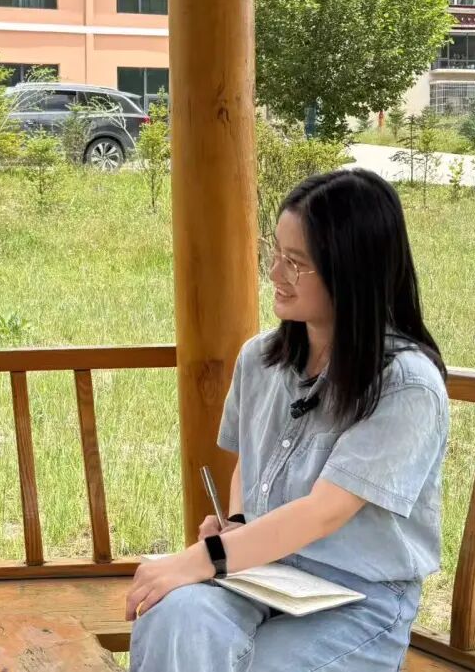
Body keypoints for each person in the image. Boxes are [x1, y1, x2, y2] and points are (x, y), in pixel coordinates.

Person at [127, 169, 449, 671]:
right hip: (263, 574)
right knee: (175, 615)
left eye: (296, 263)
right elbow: (249, 463)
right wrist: (236, 525)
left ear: (351, 270)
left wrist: (206, 556)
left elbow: (324, 512)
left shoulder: (406, 385)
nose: (275, 273)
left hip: (357, 598)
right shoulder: (260, 359)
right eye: (275, 251)